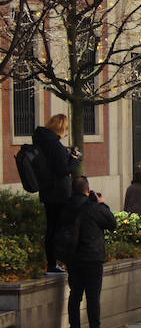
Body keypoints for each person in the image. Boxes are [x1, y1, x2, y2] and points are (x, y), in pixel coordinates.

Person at [61, 176, 117, 328]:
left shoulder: (66, 206)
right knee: (93, 297)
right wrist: (101, 203)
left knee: (75, 295)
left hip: (72, 257)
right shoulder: (93, 207)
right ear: (87, 190)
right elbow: (112, 223)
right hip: (92, 257)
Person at [32, 114, 81, 273]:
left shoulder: (43, 140)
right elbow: (62, 170)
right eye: (66, 128)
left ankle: (52, 263)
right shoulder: (54, 145)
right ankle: (56, 263)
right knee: (60, 228)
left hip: (48, 191)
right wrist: (74, 159)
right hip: (58, 193)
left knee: (52, 228)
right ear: (62, 128)